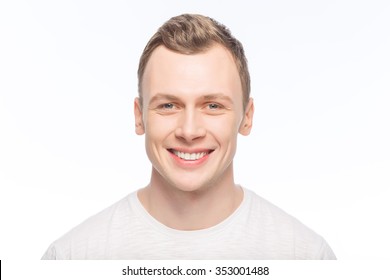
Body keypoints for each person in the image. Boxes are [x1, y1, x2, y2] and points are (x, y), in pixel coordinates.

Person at [42, 14, 336, 260]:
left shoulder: (307, 257)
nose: (189, 131)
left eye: (213, 106)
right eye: (168, 105)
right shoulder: (71, 258)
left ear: (247, 117)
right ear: (139, 116)